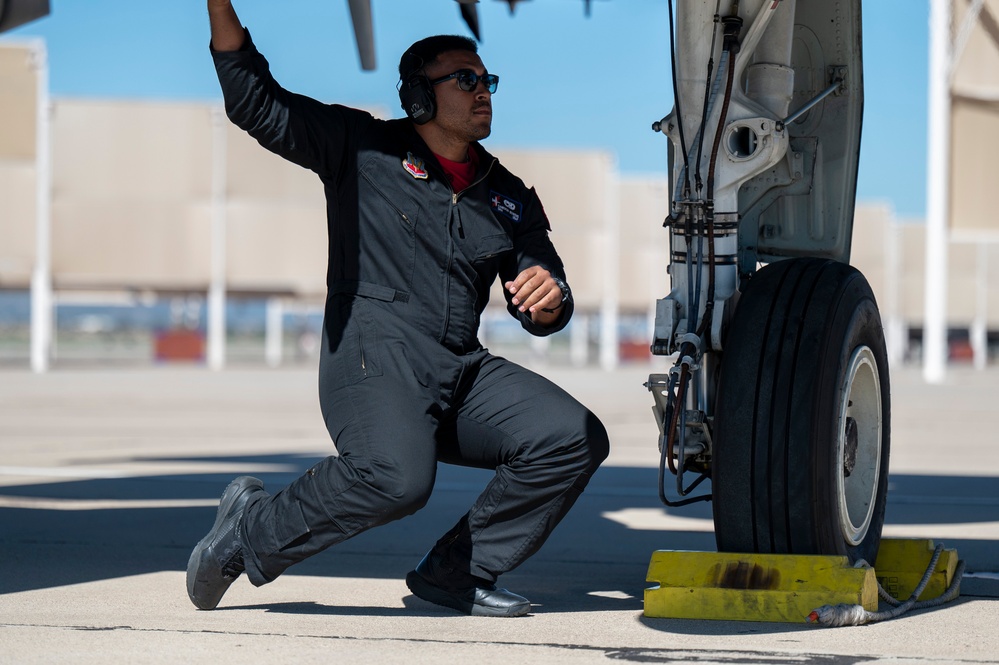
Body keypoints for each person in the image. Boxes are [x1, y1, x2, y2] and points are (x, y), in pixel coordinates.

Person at [188, 0, 609, 618]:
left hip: (459, 366)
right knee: (397, 478)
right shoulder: (363, 148)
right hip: (373, 352)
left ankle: (457, 572)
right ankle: (249, 531)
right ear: (419, 96)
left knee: (571, 436)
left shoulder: (508, 196)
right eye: (465, 80)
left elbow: (544, 294)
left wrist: (549, 296)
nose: (482, 91)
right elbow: (257, 103)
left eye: (487, 80)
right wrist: (219, 6)